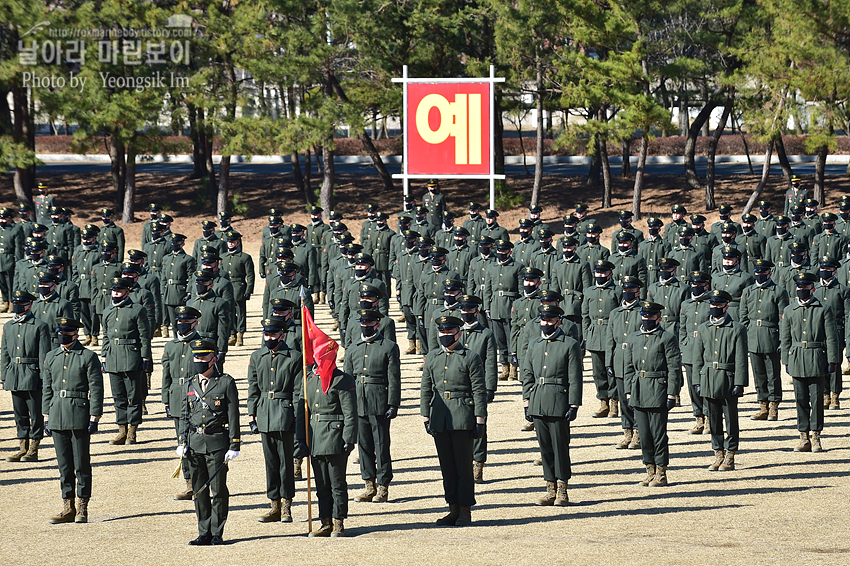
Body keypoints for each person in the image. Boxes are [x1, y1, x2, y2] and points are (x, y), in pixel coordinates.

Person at [421, 315, 486, 526]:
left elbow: (478, 390)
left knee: (463, 469)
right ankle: (452, 508)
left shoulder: (470, 357)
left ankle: (465, 510)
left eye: (450, 333)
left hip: (462, 417)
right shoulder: (432, 357)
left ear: (459, 333)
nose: (445, 336)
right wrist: (425, 415)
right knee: (447, 468)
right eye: (442, 332)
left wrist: (480, 420)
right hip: (440, 417)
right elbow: (426, 388)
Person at [178, 339, 241, 545]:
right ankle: (203, 531)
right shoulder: (189, 383)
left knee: (219, 490)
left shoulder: (225, 382)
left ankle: (217, 532)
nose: (199, 361)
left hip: (217, 443)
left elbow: (233, 416)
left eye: (203, 357)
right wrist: (182, 441)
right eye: (196, 357)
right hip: (195, 444)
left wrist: (234, 444)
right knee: (199, 490)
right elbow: (184, 415)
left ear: (213, 359)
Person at [42, 317, 104, 524]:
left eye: (67, 333)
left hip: (79, 413)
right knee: (64, 465)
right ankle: (67, 506)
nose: (62, 336)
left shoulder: (88, 356)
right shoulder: (51, 356)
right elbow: (47, 389)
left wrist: (95, 417)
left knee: (81, 463)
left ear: (76, 335)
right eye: (60, 332)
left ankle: (82, 505)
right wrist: (46, 416)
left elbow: (96, 389)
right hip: (57, 414)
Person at [522, 305, 582, 507]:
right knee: (545, 449)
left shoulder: (569, 344)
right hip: (538, 401)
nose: (546, 324)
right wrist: (527, 402)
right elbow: (528, 375)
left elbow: (575, 378)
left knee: (560, 448)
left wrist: (573, 404)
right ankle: (550, 488)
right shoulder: (534, 344)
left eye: (550, 321)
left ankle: (563, 489)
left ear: (559, 322)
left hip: (559, 401)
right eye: (543, 320)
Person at [247, 318, 303, 523]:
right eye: (266, 334)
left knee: (285, 463)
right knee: (270, 462)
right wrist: (251, 414)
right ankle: (274, 505)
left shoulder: (294, 357)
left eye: (272, 334)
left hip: (284, 412)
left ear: (282, 335)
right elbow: (253, 388)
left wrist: (297, 415)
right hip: (263, 412)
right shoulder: (257, 356)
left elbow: (298, 390)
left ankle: (287, 504)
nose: (268, 338)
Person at [344, 309, 401, 504]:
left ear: (377, 325)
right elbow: (348, 379)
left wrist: (393, 403)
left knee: (381, 445)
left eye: (370, 324)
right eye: (363, 323)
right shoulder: (353, 348)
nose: (365, 327)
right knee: (364, 446)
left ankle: (383, 485)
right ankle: (369, 484)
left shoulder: (388, 347)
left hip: (379, 400)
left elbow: (394, 378)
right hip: (359, 401)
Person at [780, 272, 840, 453]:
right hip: (797, 357)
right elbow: (785, 338)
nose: (801, 290)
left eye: (805, 287)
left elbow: (831, 337)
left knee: (816, 400)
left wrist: (832, 360)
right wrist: (786, 360)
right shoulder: (789, 310)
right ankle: (803, 436)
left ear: (813, 289)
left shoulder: (823, 308)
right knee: (800, 400)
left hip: (816, 358)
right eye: (799, 287)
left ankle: (816, 436)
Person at [624, 301, 682, 487]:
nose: (647, 319)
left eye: (651, 316)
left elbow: (674, 368)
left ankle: (661, 472)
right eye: (644, 316)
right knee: (644, 434)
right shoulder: (634, 338)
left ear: (658, 318)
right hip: (639, 389)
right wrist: (628, 391)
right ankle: (649, 469)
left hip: (658, 390)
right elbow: (628, 367)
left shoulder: (667, 338)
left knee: (658, 435)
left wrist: (672, 394)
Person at [298, 362, 358, 537]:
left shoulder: (342, 379)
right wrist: (301, 439)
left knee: (337, 484)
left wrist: (349, 438)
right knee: (321, 484)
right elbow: (303, 411)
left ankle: (338, 521)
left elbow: (349, 412)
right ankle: (325, 522)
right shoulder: (309, 379)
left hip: (335, 437)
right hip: (315, 438)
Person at [693, 290, 749, 471]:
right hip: (709, 378)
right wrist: (697, 381)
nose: (714, 308)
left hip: (728, 379)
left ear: (726, 307)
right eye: (712, 305)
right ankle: (718, 453)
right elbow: (697, 358)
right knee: (714, 419)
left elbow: (741, 357)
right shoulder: (703, 328)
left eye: (718, 305)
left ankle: (730, 454)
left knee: (731, 419)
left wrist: (740, 383)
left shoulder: (737, 328)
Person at [2, 290, 52, 462]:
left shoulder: (39, 325)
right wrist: (4, 375)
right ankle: (22, 447)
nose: (17, 306)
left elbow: (44, 354)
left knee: (35, 414)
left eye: (21, 303)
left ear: (29, 305)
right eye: (15, 302)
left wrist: (43, 378)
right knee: (19, 413)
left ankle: (34, 448)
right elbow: (4, 354)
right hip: (14, 374)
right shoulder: (8, 326)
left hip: (32, 374)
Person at [102, 277, 152, 445]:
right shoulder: (108, 310)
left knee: (133, 396)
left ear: (127, 292)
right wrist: (104, 356)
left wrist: (145, 357)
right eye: (114, 291)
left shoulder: (137, 310)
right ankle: (121, 430)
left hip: (131, 356)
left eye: (119, 291)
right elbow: (106, 336)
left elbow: (144, 336)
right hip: (113, 357)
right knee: (118, 397)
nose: (115, 294)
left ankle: (132, 431)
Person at [161, 306, 202, 501]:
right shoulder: (170, 346)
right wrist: (165, 400)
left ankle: (201, 480)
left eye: (187, 321)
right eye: (179, 321)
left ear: (196, 323)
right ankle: (189, 483)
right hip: (177, 397)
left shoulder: (202, 343)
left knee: (197, 442)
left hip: (196, 396)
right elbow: (166, 376)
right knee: (182, 441)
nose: (182, 325)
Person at [739, 260, 788, 421]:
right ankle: (763, 405)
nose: (760, 276)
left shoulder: (778, 291)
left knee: (772, 374)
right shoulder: (748, 291)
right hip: (754, 336)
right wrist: (748, 334)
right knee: (758, 373)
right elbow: (743, 316)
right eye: (757, 273)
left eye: (763, 273)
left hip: (770, 335)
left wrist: (781, 338)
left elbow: (782, 318)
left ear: (769, 273)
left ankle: (774, 405)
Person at [457, 295, 497, 483]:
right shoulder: (456, 332)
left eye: (469, 311)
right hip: (458, 386)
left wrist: (490, 387)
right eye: (463, 311)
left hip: (477, 386)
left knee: (479, 426)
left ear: (477, 312)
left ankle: (478, 464)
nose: (466, 314)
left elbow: (490, 362)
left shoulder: (486, 334)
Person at [605, 277, 644, 450]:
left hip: (637, 358)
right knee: (623, 399)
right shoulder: (615, 313)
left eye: (631, 291)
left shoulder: (643, 310)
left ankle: (638, 432)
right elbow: (609, 340)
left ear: (638, 292)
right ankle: (626, 431)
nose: (628, 293)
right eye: (625, 290)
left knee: (636, 398)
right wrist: (609, 362)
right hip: (619, 359)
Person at [582, 260, 621, 418]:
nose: (600, 275)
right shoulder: (589, 292)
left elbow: (620, 314)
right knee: (598, 372)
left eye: (603, 273)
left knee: (611, 369)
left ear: (610, 274)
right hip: (594, 334)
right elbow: (585, 316)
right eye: (598, 272)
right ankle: (603, 401)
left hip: (610, 334)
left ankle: (614, 401)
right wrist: (586, 336)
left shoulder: (617, 290)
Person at [812, 258, 850, 410]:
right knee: (821, 363)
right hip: (819, 332)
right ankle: (825, 393)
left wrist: (847, 336)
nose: (824, 271)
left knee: (835, 363)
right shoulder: (815, 289)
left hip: (836, 332)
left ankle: (835, 395)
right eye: (822, 268)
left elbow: (848, 315)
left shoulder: (843, 290)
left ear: (835, 271)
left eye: (828, 269)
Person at [483, 240, 523, 379]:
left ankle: (514, 367)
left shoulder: (517, 267)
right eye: (499, 251)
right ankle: (504, 366)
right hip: (495, 307)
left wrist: (518, 308)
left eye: (503, 252)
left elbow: (521, 290)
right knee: (499, 339)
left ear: (509, 252)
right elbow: (487, 289)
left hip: (510, 305)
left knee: (511, 337)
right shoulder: (491, 267)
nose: (500, 254)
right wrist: (487, 307)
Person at [679, 271, 713, 434]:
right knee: (693, 385)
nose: (695, 287)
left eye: (699, 285)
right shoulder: (686, 304)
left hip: (706, 348)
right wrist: (683, 343)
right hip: (690, 348)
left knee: (706, 384)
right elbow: (682, 327)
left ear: (706, 286)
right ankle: (698, 417)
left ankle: (708, 418)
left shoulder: (710, 303)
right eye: (693, 284)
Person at [220, 231, 255, 346]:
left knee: (240, 313)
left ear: (238, 242)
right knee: (229, 312)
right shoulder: (223, 257)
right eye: (229, 242)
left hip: (239, 287)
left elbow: (250, 275)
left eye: (233, 242)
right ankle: (232, 333)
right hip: (226, 288)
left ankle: (240, 334)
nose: (230, 244)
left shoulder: (244, 257)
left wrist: (248, 290)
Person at [71, 227, 101, 345]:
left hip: (92, 285)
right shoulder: (78, 250)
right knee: (84, 312)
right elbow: (74, 268)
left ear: (94, 239)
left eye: (88, 239)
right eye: (84, 238)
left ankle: (94, 335)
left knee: (93, 312)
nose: (86, 241)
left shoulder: (98, 251)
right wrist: (76, 282)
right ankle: (87, 334)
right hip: (81, 285)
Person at [90, 242, 123, 344]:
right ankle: (103, 340)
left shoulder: (118, 267)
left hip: (112, 297)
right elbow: (94, 286)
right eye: (103, 251)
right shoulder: (96, 267)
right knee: (102, 321)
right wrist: (94, 301)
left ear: (113, 254)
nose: (105, 253)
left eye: (107, 252)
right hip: (100, 298)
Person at [0, 207, 25, 312]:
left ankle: (11, 302)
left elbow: (18, 247)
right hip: (0, 259)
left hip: (9, 258)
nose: (2, 220)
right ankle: (5, 301)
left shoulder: (16, 228)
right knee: (2, 282)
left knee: (10, 282)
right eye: (0, 218)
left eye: (4, 218)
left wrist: (18, 261)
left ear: (9, 219)